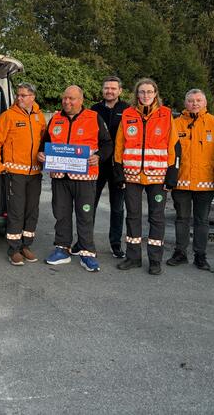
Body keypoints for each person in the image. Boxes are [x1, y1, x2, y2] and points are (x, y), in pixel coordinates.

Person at [38, 85, 113, 272]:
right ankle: (62, 249)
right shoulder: (55, 119)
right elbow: (44, 143)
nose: (67, 102)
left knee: (85, 215)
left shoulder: (93, 117)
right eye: (64, 98)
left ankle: (87, 252)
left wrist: (99, 156)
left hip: (85, 178)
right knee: (61, 213)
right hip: (59, 177)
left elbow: (107, 144)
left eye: (71, 98)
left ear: (81, 100)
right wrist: (41, 154)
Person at [114, 78, 180, 275]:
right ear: (137, 94)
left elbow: (174, 145)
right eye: (142, 92)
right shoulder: (127, 114)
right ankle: (133, 257)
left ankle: (154, 260)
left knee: (157, 218)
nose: (145, 95)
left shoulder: (166, 114)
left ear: (155, 93)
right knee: (132, 216)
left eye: (149, 92)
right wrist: (118, 170)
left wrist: (172, 174)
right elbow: (120, 144)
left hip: (158, 176)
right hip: (132, 175)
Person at [166, 89, 214, 272]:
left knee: (202, 220)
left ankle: (200, 255)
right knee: (181, 218)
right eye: (191, 100)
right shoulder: (175, 125)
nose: (195, 103)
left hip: (206, 182)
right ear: (185, 103)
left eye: (198, 100)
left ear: (205, 103)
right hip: (181, 181)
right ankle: (180, 253)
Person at [0, 82, 47, 266]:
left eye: (24, 95)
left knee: (32, 211)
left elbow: (46, 142)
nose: (19, 98)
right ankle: (13, 249)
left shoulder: (40, 118)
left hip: (35, 173)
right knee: (16, 211)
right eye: (18, 95)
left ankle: (26, 246)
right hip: (14, 173)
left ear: (33, 97)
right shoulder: (7, 116)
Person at [91, 76, 130, 259]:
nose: (110, 91)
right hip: (97, 164)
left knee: (117, 208)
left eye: (113, 88)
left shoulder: (128, 110)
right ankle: (84, 241)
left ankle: (115, 244)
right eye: (107, 88)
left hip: (119, 167)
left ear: (120, 91)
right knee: (89, 205)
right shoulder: (94, 110)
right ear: (102, 90)